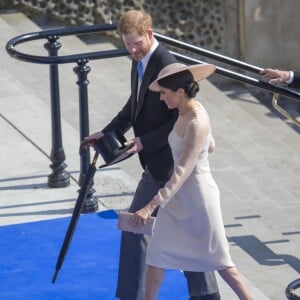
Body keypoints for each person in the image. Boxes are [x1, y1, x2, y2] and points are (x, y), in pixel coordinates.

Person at [82, 10, 221, 300]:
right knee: (139, 227)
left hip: (173, 167)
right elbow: (135, 105)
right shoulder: (140, 62)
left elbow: (183, 117)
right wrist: (106, 133)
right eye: (127, 44)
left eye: (136, 43)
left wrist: (144, 141)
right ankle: (138, 295)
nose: (132, 49)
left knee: (182, 236)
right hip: (156, 167)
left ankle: (205, 295)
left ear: (150, 34)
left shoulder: (166, 65)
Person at [130, 63, 254, 300]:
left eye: (164, 93)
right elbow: (211, 145)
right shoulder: (189, 111)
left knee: (223, 264)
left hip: (197, 199)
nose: (161, 98)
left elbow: (183, 171)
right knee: (156, 257)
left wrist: (149, 206)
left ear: (179, 92)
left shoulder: (196, 121)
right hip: (179, 197)